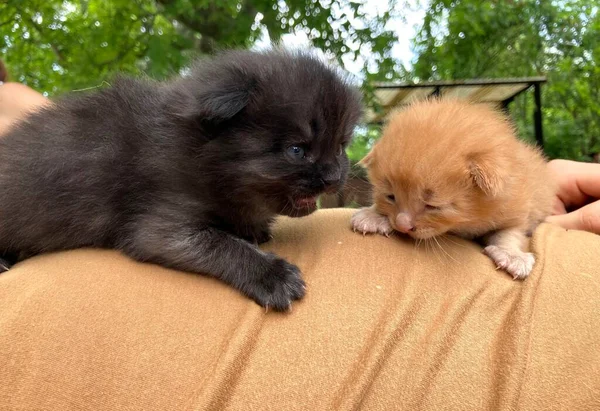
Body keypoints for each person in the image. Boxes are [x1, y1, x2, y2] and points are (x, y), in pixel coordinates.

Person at [0, 75, 599, 410]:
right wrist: (258, 265)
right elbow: (159, 227)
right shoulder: (120, 154)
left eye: (340, 150)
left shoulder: (106, 142)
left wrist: (519, 207)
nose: (335, 175)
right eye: (300, 151)